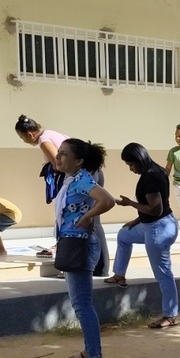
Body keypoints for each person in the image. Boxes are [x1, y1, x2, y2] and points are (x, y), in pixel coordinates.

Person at [53, 139, 116, 358]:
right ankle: (90, 350)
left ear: (78, 161)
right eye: (58, 153)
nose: (58, 157)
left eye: (64, 154)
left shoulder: (82, 179)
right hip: (72, 242)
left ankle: (95, 357)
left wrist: (88, 217)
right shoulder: (71, 179)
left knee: (82, 304)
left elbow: (107, 200)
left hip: (80, 244)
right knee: (80, 303)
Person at [15, 115, 109, 272]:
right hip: (93, 174)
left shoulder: (44, 140)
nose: (59, 156)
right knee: (93, 221)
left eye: (22, 138)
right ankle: (100, 266)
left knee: (79, 220)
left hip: (81, 179)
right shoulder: (53, 133)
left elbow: (57, 164)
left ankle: (86, 265)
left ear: (30, 134)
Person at [105, 143, 180, 330]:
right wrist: (138, 219)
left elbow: (156, 209)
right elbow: (158, 204)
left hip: (158, 229)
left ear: (139, 160)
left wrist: (130, 203)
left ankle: (170, 316)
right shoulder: (159, 170)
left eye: (131, 164)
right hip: (158, 224)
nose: (131, 169)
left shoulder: (151, 177)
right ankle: (119, 275)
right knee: (124, 235)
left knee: (163, 274)